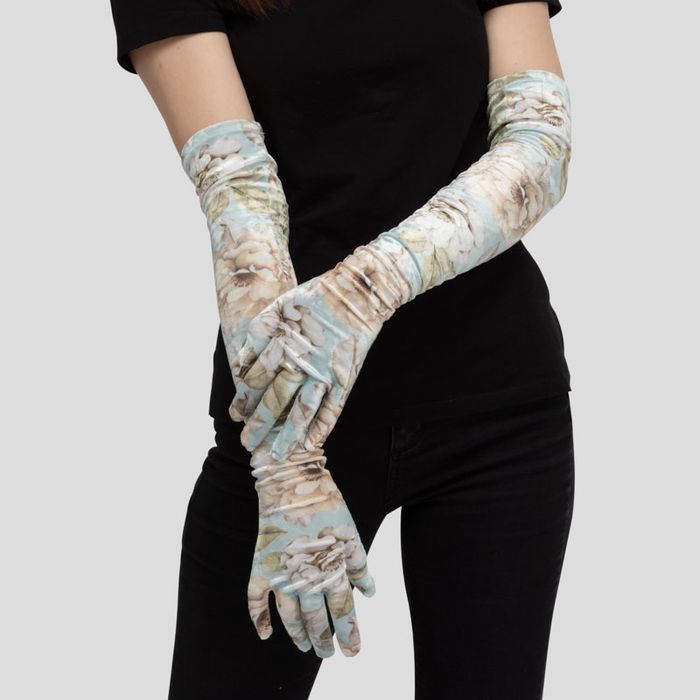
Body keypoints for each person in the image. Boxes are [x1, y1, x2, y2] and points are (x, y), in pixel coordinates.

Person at [109, 0, 576, 697]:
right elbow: (236, 184)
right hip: (292, 413)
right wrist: (287, 466)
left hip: (498, 410)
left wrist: (363, 290)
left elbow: (538, 147)